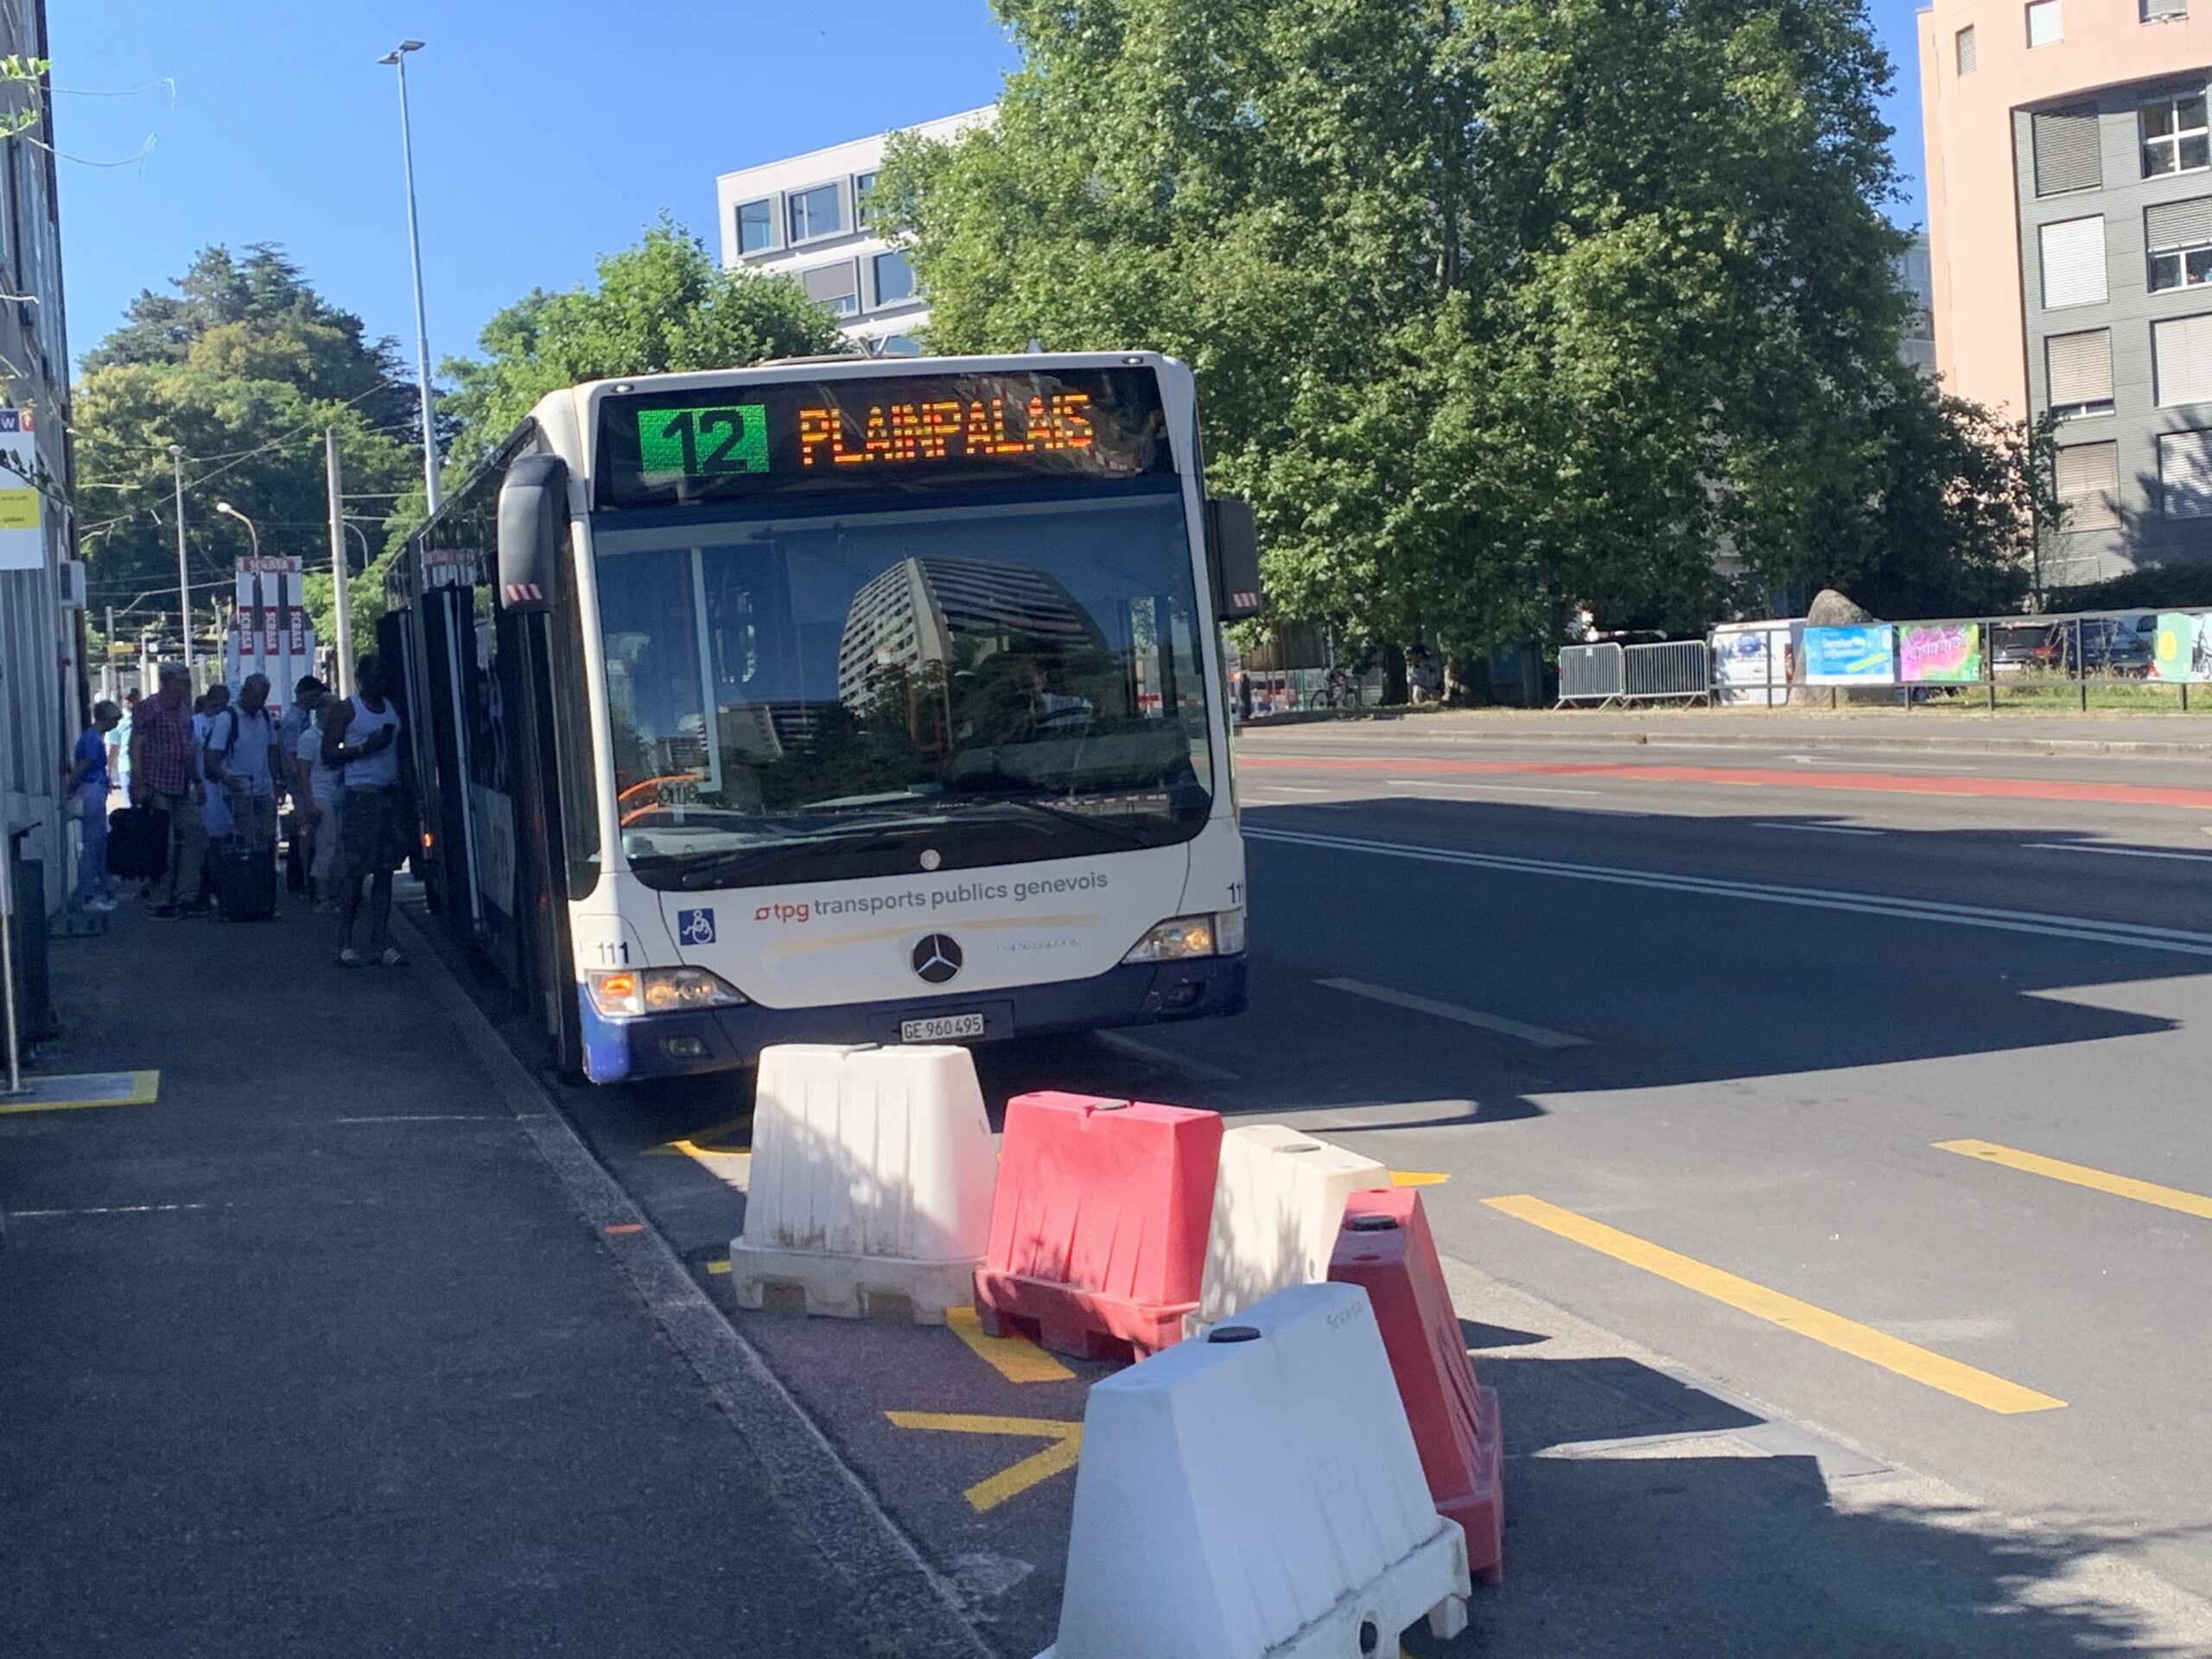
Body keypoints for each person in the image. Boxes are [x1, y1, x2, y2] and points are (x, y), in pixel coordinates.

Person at [325, 656, 408, 967]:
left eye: (384, 678)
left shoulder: (391, 708)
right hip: (361, 795)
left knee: (386, 870)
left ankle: (380, 942)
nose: (381, 684)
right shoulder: (347, 709)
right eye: (375, 678)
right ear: (361, 678)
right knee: (355, 872)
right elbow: (328, 753)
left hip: (390, 793)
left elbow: (401, 753)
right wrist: (363, 748)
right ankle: (345, 943)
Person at [130, 662, 209, 918]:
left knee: (197, 834)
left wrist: (197, 781)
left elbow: (188, 748)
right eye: (182, 680)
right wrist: (138, 782)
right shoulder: (149, 708)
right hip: (157, 784)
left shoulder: (184, 709)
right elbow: (136, 745)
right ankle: (160, 899)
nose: (187, 684)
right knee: (163, 844)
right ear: (167, 681)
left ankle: (186, 895)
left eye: (188, 680)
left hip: (182, 784)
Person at [205, 672, 281, 852]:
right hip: (239, 791)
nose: (259, 703)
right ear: (245, 692)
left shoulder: (265, 716)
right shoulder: (227, 719)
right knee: (252, 838)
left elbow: (272, 750)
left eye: (262, 698)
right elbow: (211, 755)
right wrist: (226, 778)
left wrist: (276, 781)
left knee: (269, 838)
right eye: (256, 697)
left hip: (264, 790)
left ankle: (266, 868)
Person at [66, 701, 122, 913]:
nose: (115, 724)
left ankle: (100, 887)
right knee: (92, 843)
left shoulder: (92, 737)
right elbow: (84, 765)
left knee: (97, 842)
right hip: (91, 790)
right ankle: (87, 894)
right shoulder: (92, 739)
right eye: (114, 720)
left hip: (93, 789)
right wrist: (70, 787)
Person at [296, 694, 348, 910]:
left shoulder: (339, 736)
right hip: (320, 794)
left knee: (339, 846)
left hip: (338, 795)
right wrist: (309, 803)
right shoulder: (309, 738)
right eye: (331, 709)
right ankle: (321, 895)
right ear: (320, 712)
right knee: (326, 844)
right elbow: (303, 773)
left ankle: (336, 892)